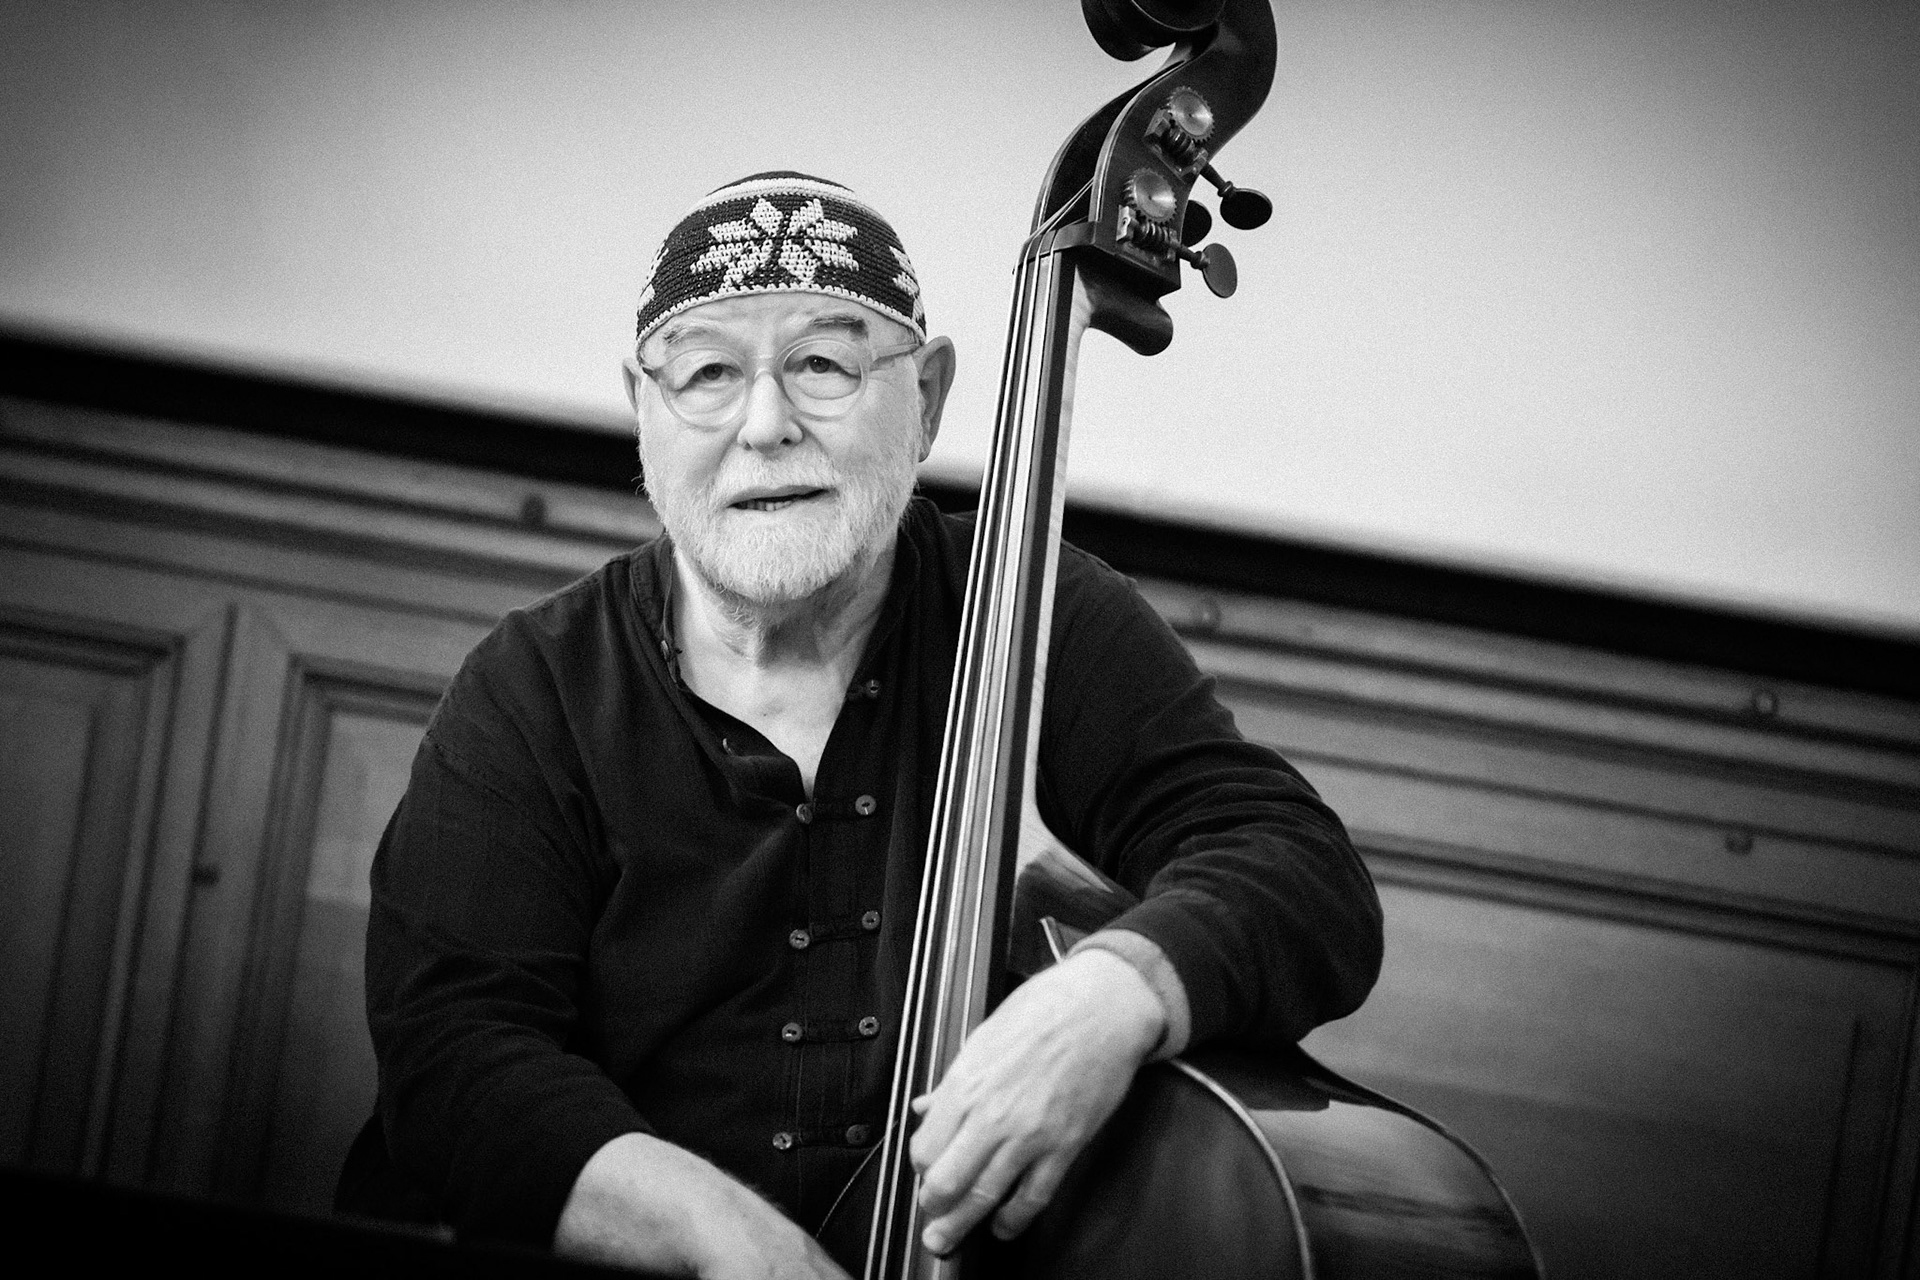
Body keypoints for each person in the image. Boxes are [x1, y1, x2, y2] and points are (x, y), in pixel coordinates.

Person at [338, 172, 1383, 1279]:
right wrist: (733, 1244)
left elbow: (1296, 866)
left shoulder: (1038, 619)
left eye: (826, 365)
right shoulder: (532, 688)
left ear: (928, 397)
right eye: (706, 374)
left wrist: (1111, 994)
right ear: (642, 410)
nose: (766, 424)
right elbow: (458, 1061)